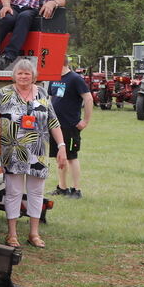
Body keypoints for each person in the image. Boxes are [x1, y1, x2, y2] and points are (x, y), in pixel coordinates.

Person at [0, 58, 68, 247]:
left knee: (36, 192)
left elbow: (53, 121)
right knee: (14, 192)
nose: (23, 76)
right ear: (14, 75)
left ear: (34, 76)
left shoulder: (41, 92)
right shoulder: (5, 93)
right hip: (13, 152)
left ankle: (34, 234)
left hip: (38, 152)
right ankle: (12, 234)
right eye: (20, 73)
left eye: (27, 73)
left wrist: (62, 146)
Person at [48, 60, 93, 198]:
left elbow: (88, 98)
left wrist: (85, 121)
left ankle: (76, 189)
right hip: (55, 126)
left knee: (71, 158)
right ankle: (62, 187)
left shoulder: (75, 79)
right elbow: (51, 98)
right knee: (59, 157)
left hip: (70, 125)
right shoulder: (53, 78)